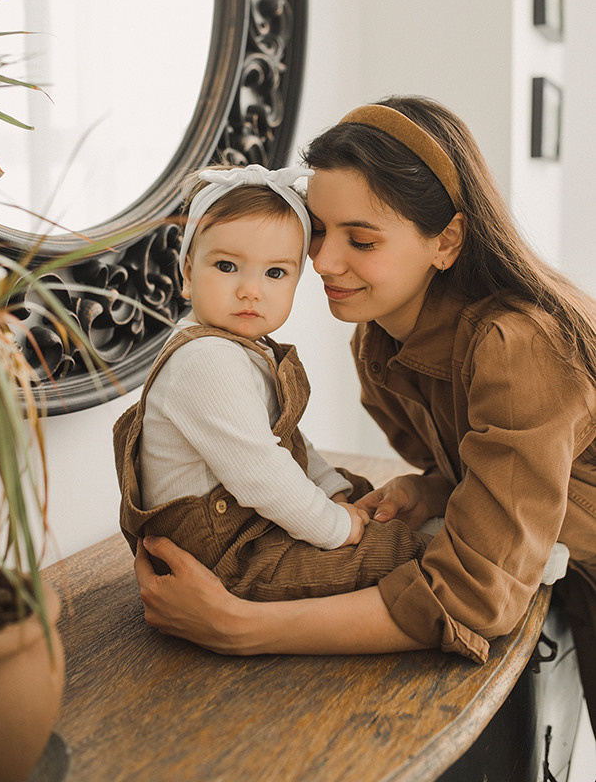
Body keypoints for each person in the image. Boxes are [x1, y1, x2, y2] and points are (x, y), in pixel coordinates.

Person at [131, 97, 596, 736]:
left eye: (362, 238)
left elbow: (475, 596)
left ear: (447, 242)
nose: (320, 261)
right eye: (318, 230)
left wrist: (244, 628)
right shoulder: (378, 341)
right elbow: (522, 475)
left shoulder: (517, 347)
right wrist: (434, 487)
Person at [114, 162, 429, 602]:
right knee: (379, 556)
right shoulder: (204, 360)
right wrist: (335, 527)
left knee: (360, 493)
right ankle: (455, 557)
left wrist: (334, 491)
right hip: (224, 559)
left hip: (253, 520)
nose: (250, 290)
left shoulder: (244, 348)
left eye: (275, 273)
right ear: (187, 272)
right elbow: (260, 471)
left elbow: (287, 441)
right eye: (226, 266)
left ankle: (433, 531)